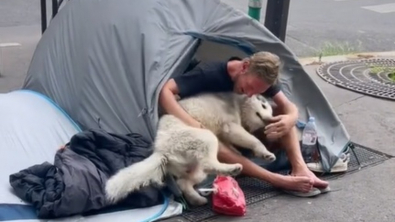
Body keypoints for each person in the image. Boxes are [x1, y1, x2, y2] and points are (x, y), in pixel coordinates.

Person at [158, 51, 329, 195]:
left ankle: (299, 168)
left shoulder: (260, 79)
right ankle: (277, 180)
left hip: (238, 126)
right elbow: (166, 91)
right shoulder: (209, 73)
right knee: (213, 140)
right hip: (209, 130)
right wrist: (194, 124)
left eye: (257, 91)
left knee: (281, 113)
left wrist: (291, 117)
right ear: (244, 67)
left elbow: (287, 106)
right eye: (249, 87)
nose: (250, 94)